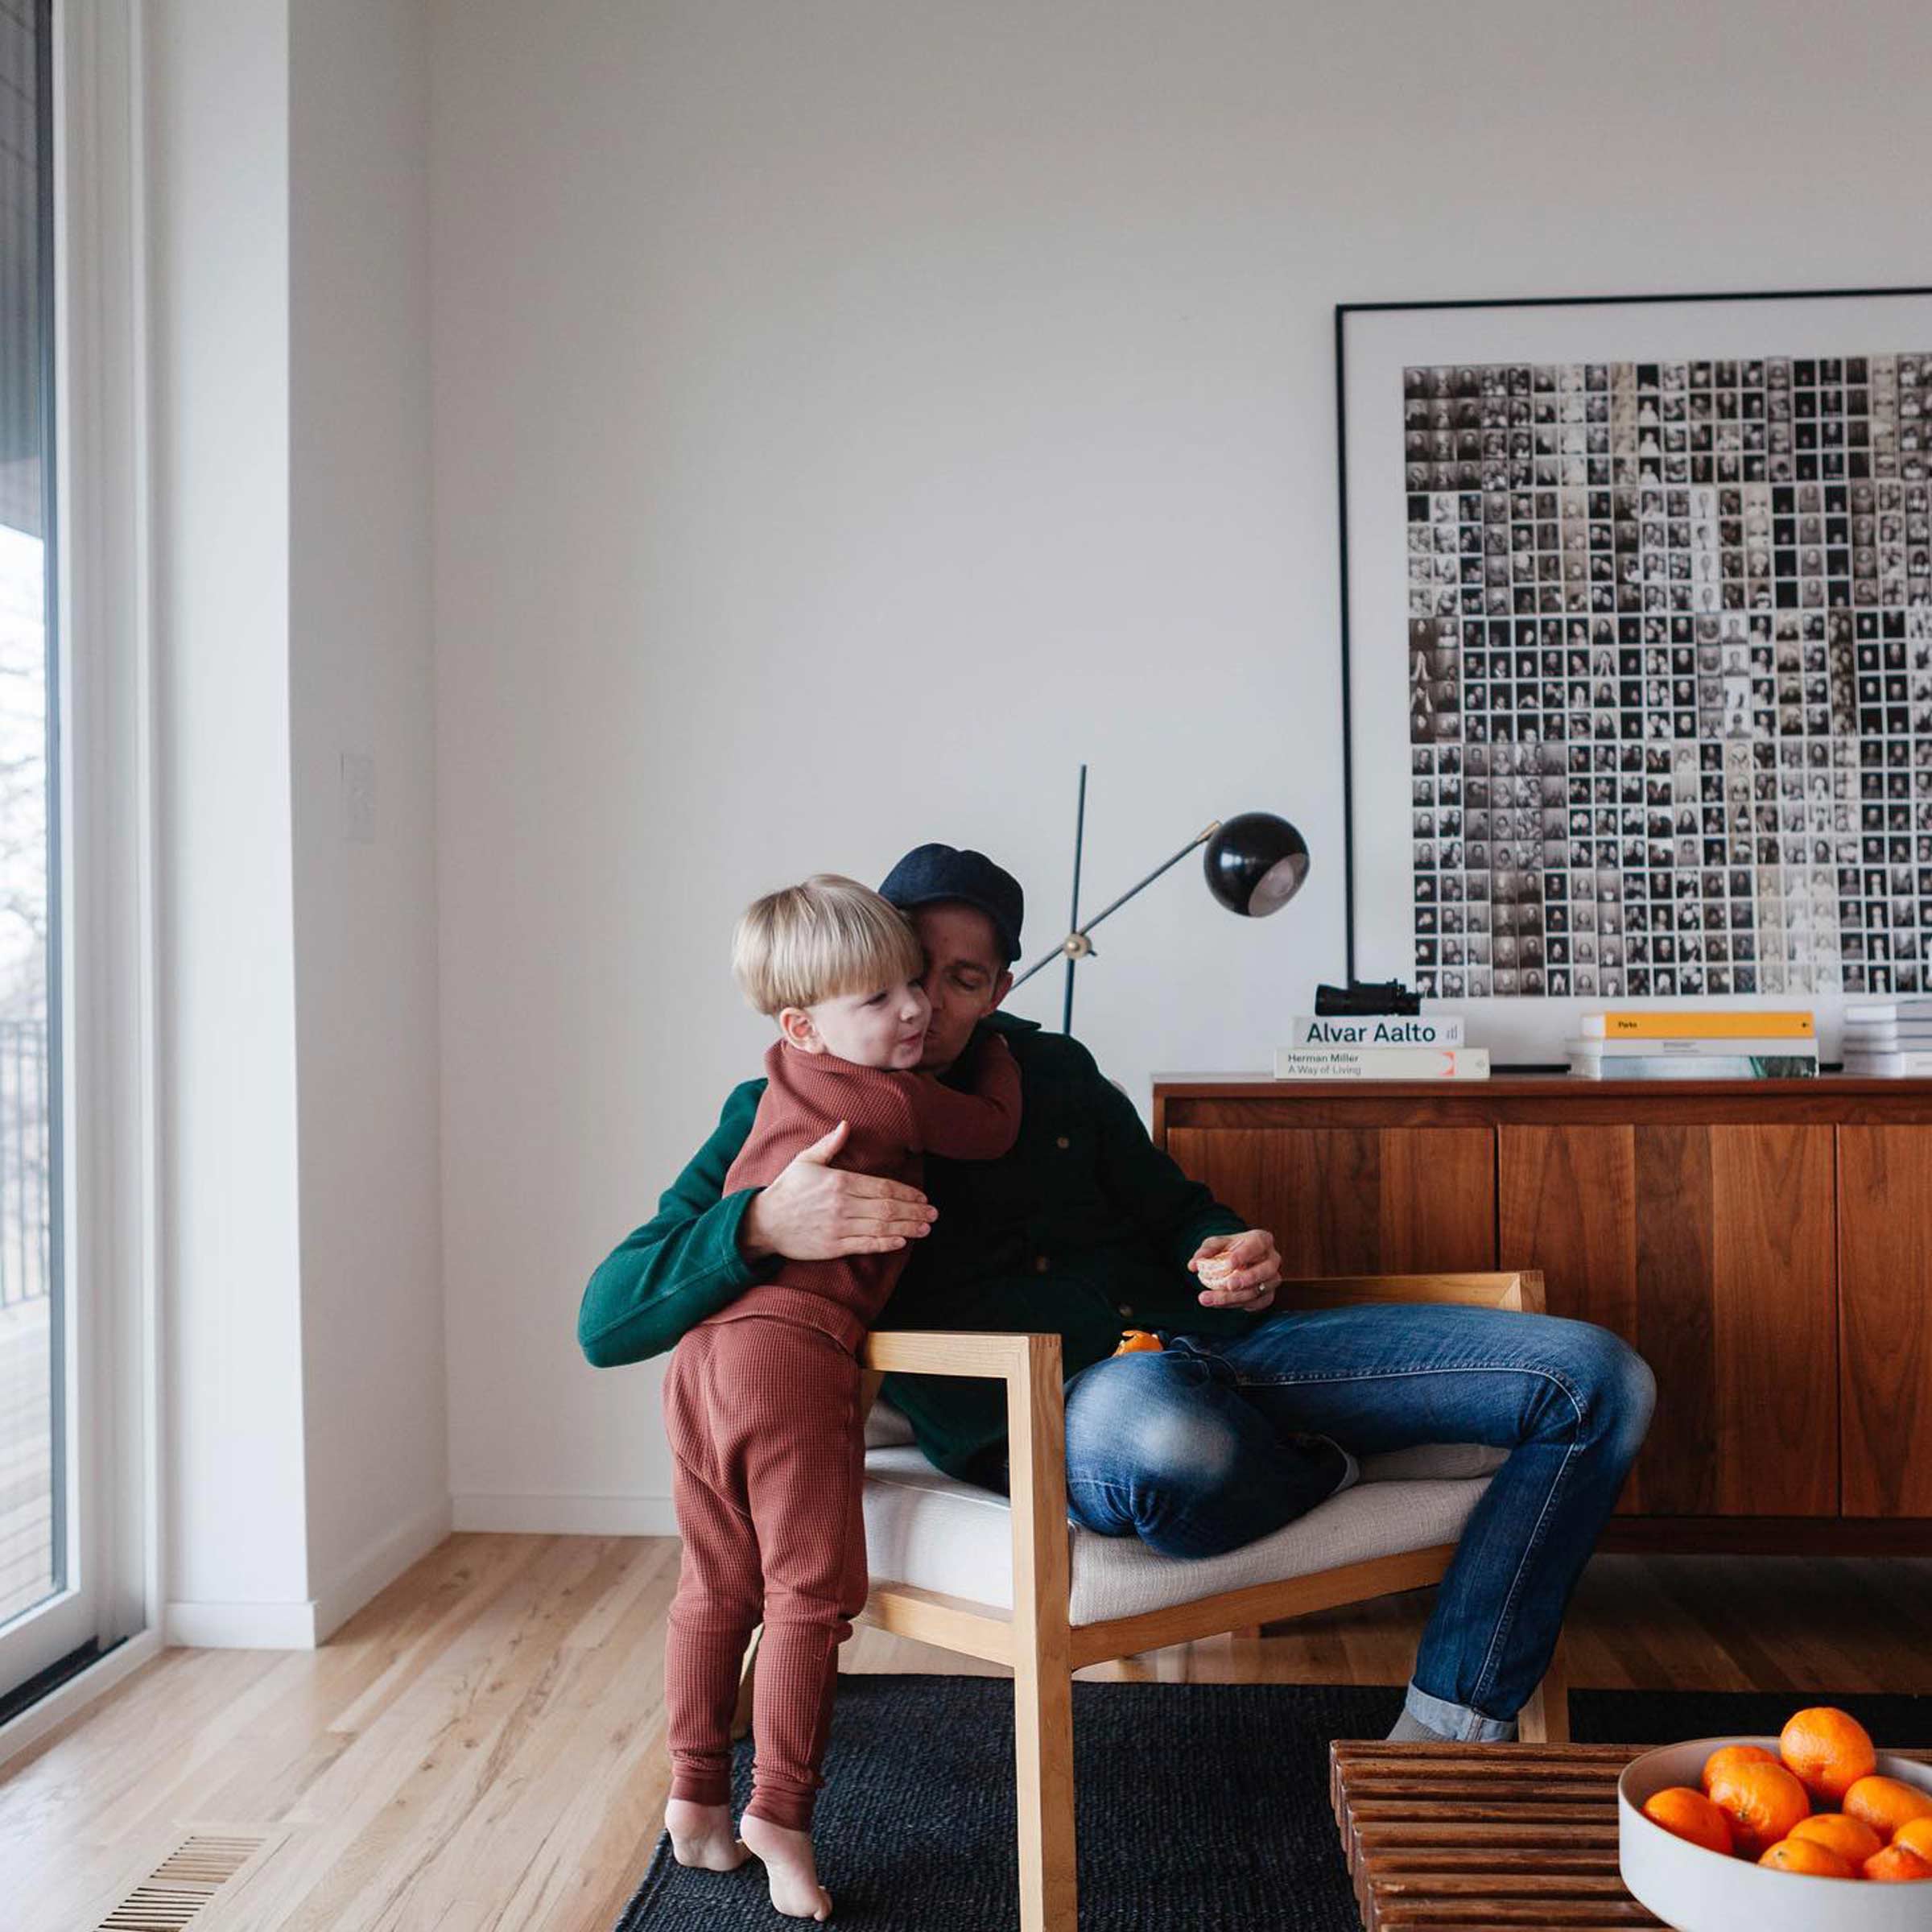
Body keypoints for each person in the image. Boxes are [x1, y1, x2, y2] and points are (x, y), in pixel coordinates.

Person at [578, 844, 1655, 1765]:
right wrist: (763, 1226)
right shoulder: (792, 1111)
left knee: (1601, 1380)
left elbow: (1177, 1211)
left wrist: (1226, 1250)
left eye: (959, 980)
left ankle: (1448, 1728)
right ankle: (1314, 1464)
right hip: (1072, 1412)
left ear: (1000, 986)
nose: (922, 1008)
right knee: (1157, 1425)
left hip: (1230, 1347)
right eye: (903, 975)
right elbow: (609, 1314)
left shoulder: (1055, 1075)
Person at [659, 874, 1022, 1920]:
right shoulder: (892, 1094)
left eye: (916, 985)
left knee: (715, 1586)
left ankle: (693, 1795)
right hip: (789, 1354)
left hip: (703, 1356)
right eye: (878, 1001)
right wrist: (996, 1042)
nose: (912, 1011)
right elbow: (993, 1128)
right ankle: (778, 1811)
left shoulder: (781, 1081)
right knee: (810, 1598)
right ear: (802, 1022)